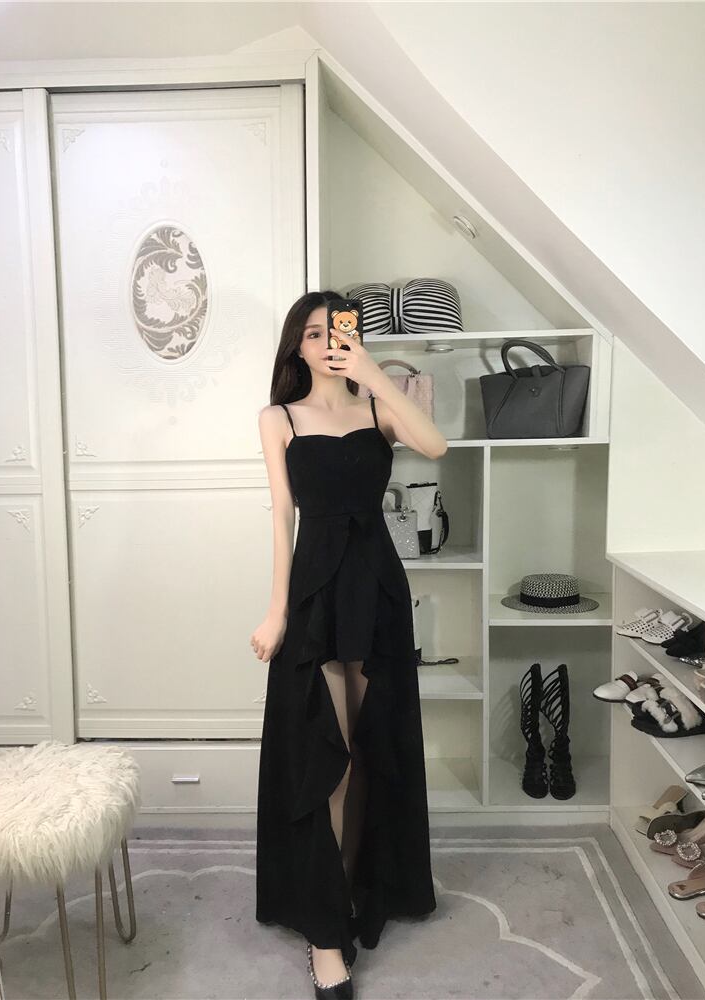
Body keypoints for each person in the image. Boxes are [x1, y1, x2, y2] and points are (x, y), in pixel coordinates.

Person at [251, 290, 445, 998]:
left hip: (378, 588)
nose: (324, 343)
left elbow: (436, 446)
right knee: (325, 759)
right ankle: (326, 928)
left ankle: (362, 887)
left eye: (336, 332)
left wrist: (372, 373)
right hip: (316, 592)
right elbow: (282, 516)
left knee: (370, 751)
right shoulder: (279, 418)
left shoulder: (376, 407)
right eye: (311, 333)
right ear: (295, 346)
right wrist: (276, 612)